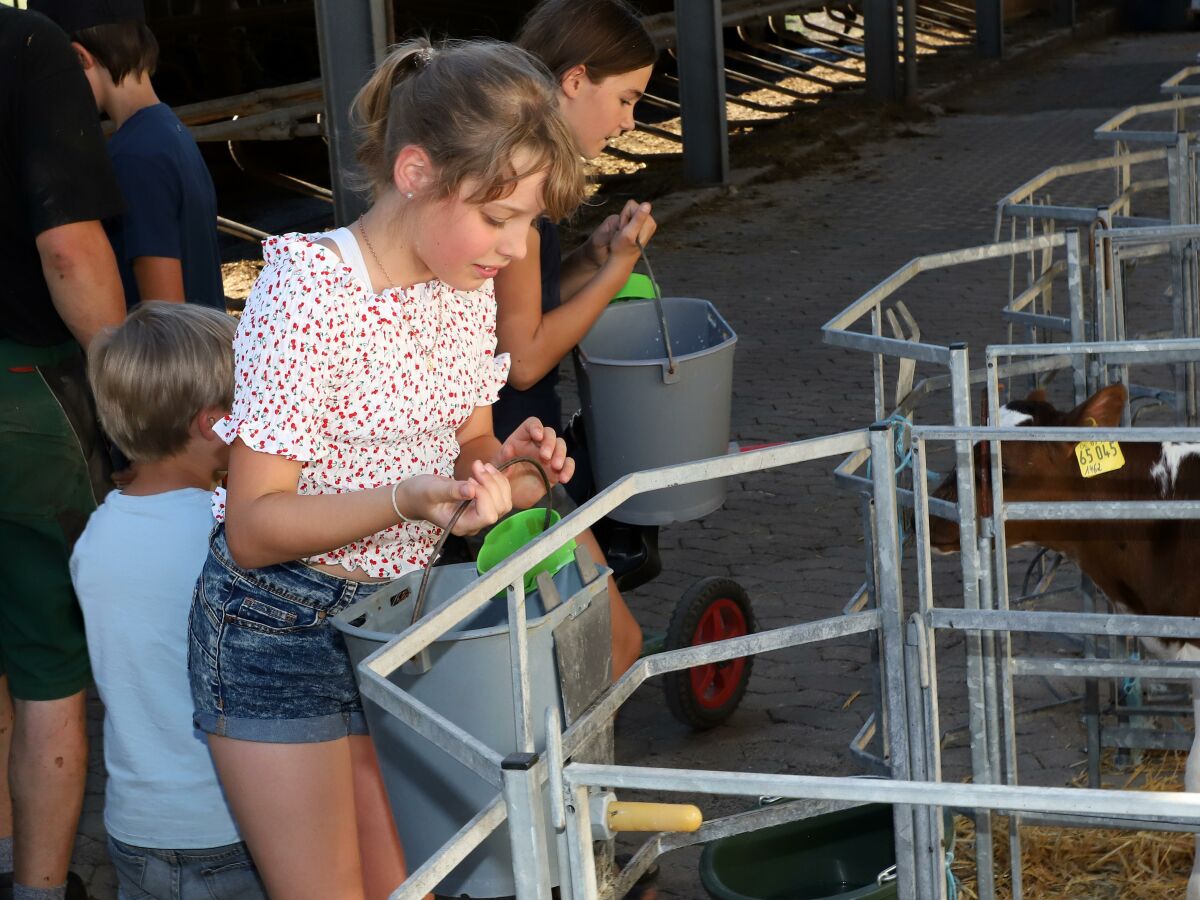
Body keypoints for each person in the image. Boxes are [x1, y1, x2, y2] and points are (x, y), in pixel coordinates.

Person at [185, 38, 586, 900]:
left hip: (394, 623)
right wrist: (405, 498)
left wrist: (504, 469)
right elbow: (254, 528)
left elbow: (468, 439)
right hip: (277, 628)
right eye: (499, 217)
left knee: (413, 884)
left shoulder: (465, 279)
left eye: (529, 223)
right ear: (415, 172)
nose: (516, 250)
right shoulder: (310, 290)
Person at [69, 303, 266, 900]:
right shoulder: (230, 533)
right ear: (213, 425)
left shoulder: (94, 537)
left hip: (134, 828)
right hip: (229, 822)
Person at [0, 6, 126, 900]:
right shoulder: (24, 45)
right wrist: (127, 404)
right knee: (46, 669)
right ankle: (38, 888)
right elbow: (69, 250)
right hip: (19, 392)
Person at [494, 0, 659, 678]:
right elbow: (525, 356)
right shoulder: (515, 189)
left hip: (505, 447)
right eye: (625, 98)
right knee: (610, 649)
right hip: (509, 452)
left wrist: (589, 260)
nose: (629, 120)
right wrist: (618, 268)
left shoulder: (509, 168)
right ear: (574, 79)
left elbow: (514, 305)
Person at [30, 0, 225, 311]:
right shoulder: (168, 130)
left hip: (172, 357)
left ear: (80, 57)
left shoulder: (135, 157)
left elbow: (164, 313)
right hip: (201, 351)